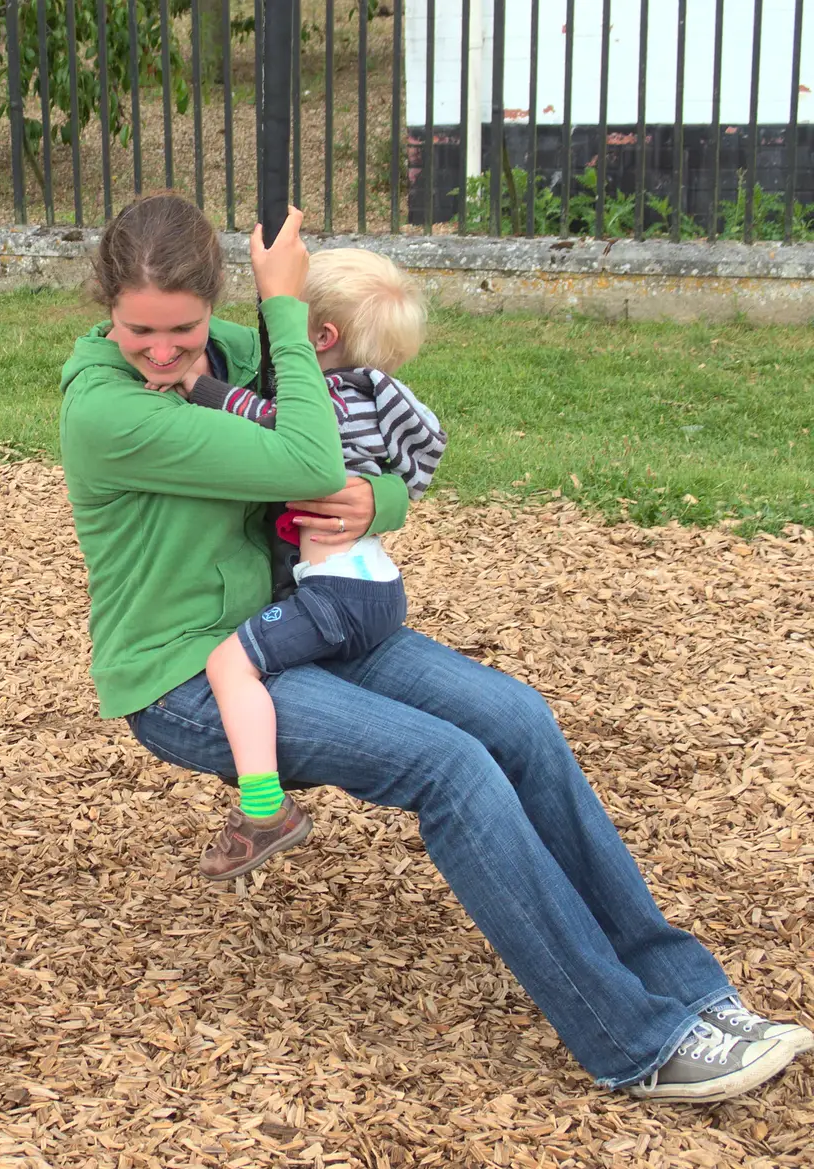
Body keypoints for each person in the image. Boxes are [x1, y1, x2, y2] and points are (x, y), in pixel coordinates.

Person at [57, 192, 811, 1101]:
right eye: (140, 331)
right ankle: (638, 1041)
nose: (165, 351)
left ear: (214, 301)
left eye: (182, 328)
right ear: (107, 309)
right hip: (187, 674)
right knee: (449, 766)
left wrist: (384, 502)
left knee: (516, 719)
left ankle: (689, 992)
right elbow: (304, 460)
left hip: (296, 621)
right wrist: (288, 314)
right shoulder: (108, 411)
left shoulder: (234, 353)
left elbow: (355, 428)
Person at [174, 248, 445, 877]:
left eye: (283, 325)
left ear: (319, 338)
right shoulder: (384, 401)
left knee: (228, 663)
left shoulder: (325, 400)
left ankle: (263, 805)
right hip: (377, 586)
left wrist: (198, 387)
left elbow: (275, 425)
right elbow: (421, 460)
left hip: (335, 596)